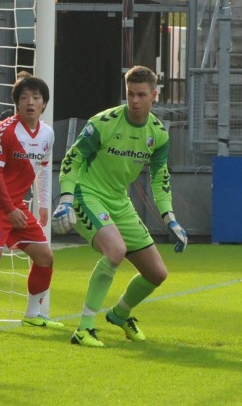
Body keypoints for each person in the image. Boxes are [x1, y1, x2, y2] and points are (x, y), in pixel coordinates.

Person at [52, 65, 188, 348]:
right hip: (86, 194)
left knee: (157, 274)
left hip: (118, 201)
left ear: (154, 95)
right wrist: (66, 199)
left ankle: (120, 314)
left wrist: (171, 219)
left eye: (141, 95)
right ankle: (84, 327)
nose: (134, 101)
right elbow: (72, 159)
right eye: (130, 94)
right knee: (116, 250)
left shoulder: (158, 134)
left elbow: (160, 179)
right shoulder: (104, 123)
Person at [0, 71, 65, 331]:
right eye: (24, 97)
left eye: (36, 97)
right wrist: (9, 209)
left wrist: (43, 204)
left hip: (17, 205)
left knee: (45, 257)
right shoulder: (4, 130)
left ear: (44, 103)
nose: (30, 102)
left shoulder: (47, 134)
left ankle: (33, 313)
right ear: (17, 103)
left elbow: (43, 168)